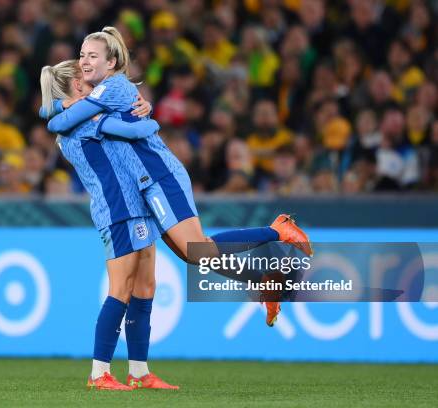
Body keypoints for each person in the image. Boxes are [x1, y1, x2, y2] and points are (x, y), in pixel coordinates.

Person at [46, 25, 312, 327]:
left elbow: (70, 124)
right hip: (145, 185)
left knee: (195, 247)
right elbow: (60, 118)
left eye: (91, 56)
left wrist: (142, 120)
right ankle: (263, 280)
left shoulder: (111, 89)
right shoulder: (100, 97)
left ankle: (278, 230)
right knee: (193, 254)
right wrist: (62, 106)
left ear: (111, 62)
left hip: (159, 176)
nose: (84, 62)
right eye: (82, 56)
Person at [41, 60, 178, 390]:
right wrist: (150, 115)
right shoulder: (79, 123)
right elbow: (133, 130)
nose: (92, 77)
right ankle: (98, 372)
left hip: (136, 205)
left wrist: (141, 105)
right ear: (77, 85)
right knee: (121, 288)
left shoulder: (74, 113)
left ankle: (139, 371)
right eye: (84, 74)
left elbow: (47, 109)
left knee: (145, 287)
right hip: (116, 210)